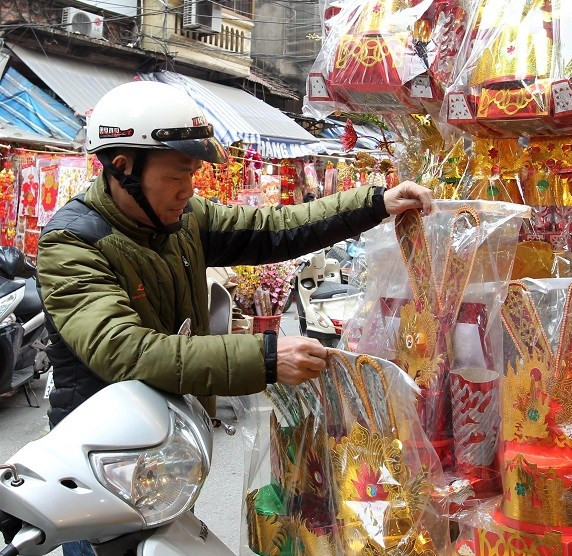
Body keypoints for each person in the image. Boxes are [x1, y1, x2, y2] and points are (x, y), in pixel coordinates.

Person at [36, 82, 432, 556]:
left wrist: (374, 204)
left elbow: (272, 230)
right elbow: (127, 350)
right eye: (177, 175)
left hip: (164, 460)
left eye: (194, 174)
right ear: (123, 168)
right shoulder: (72, 245)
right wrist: (265, 356)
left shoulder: (182, 220)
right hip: (98, 471)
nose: (189, 189)